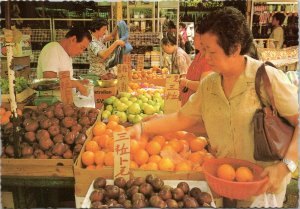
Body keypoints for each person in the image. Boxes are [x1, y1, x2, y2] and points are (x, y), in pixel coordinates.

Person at [129, 7, 298, 208]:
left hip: (263, 188)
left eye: (211, 51)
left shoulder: (267, 79)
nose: (205, 58)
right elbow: (183, 119)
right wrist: (142, 128)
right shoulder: (209, 85)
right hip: (221, 184)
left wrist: (286, 166)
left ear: (234, 48)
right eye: (203, 51)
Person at [36, 26, 92, 96]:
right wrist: (77, 84)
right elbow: (49, 81)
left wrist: (80, 82)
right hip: (51, 103)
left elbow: (66, 80)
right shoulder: (52, 49)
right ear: (73, 39)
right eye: (82, 47)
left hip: (65, 103)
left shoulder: (67, 54)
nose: (81, 52)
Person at [179, 23, 212, 106]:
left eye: (196, 36)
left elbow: (203, 86)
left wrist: (185, 82)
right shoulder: (199, 55)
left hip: (196, 108)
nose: (193, 38)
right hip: (188, 105)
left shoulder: (208, 60)